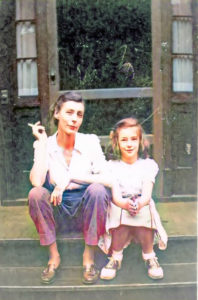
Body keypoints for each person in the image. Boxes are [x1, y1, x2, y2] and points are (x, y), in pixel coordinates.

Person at [28, 91, 111, 285]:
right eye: (69, 112)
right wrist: (40, 144)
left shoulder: (89, 141)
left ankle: (89, 257)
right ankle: (53, 257)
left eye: (79, 114)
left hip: (86, 209)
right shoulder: (45, 145)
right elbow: (37, 182)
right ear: (57, 113)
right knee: (36, 194)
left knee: (98, 190)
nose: (74, 119)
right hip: (58, 210)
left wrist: (67, 180)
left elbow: (107, 178)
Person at [98, 117, 168, 281]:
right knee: (118, 212)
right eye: (124, 140)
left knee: (146, 209)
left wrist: (138, 204)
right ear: (117, 142)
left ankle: (149, 255)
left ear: (140, 141)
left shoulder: (147, 165)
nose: (129, 144)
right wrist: (124, 204)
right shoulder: (112, 166)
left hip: (141, 202)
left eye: (133, 139)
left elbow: (147, 195)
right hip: (120, 203)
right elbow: (115, 196)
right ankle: (116, 257)